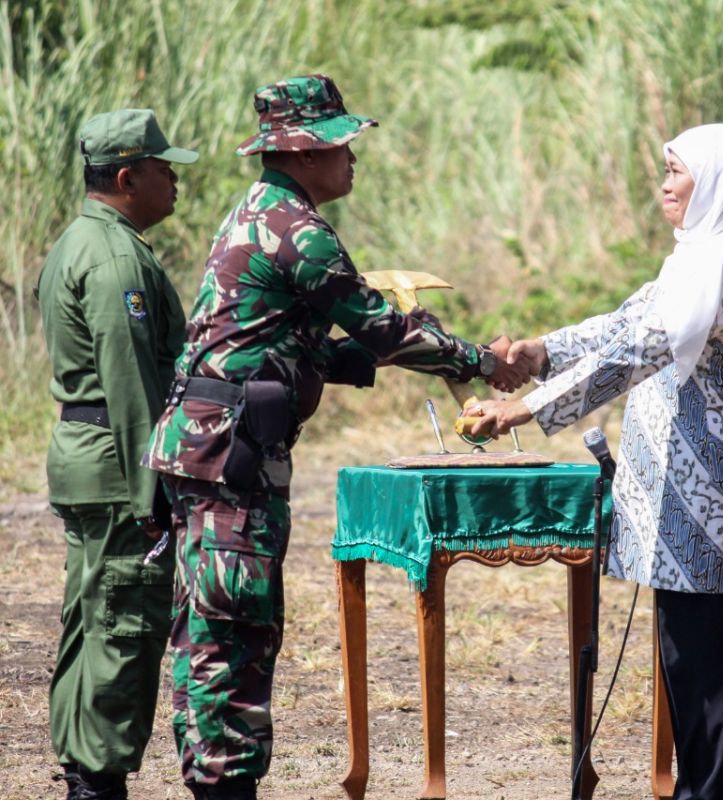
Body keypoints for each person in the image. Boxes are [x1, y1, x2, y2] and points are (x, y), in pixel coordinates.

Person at [142, 75, 530, 799]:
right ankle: (224, 786)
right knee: (233, 629)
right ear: (304, 150)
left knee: (207, 630)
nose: (353, 155)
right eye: (341, 142)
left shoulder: (262, 212)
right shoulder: (298, 229)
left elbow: (292, 338)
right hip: (230, 456)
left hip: (208, 447)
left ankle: (214, 781)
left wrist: (349, 361)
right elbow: (381, 323)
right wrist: (484, 362)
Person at [468, 123, 723, 799]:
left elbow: (638, 351)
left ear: (722, 183)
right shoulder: (699, 260)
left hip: (701, 477)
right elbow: (625, 323)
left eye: (677, 171)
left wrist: (527, 409)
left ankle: (707, 793)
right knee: (686, 650)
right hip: (676, 474)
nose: (664, 185)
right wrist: (540, 352)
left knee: (701, 654)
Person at [35, 109, 198, 800]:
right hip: (117, 462)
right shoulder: (114, 259)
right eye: (165, 170)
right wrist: (155, 490)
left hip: (90, 456)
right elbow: (131, 380)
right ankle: (96, 780)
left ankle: (83, 768)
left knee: (93, 614)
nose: (175, 184)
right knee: (123, 622)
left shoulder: (82, 240)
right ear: (128, 176)